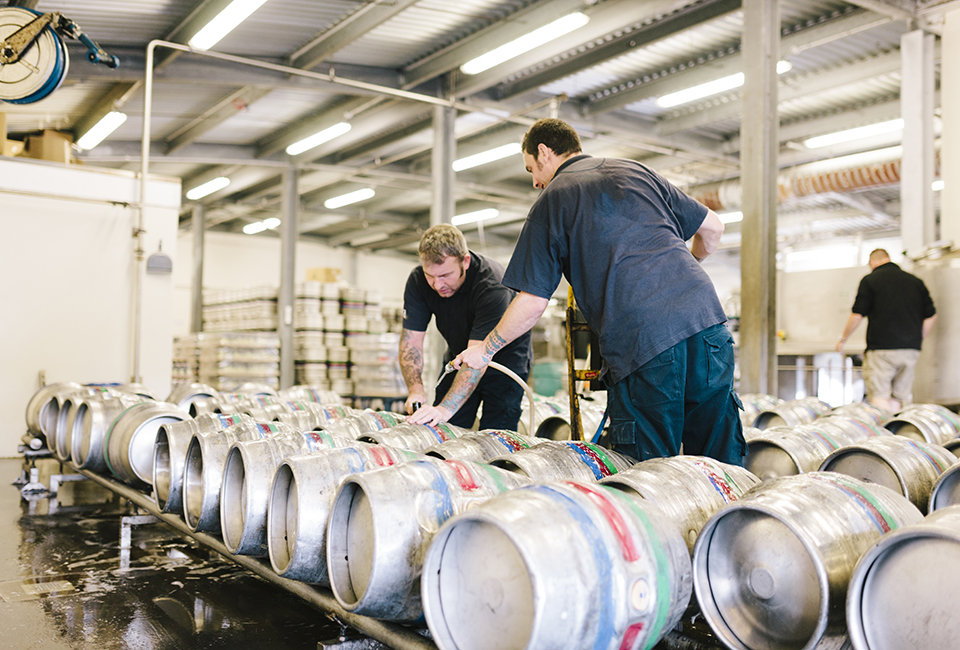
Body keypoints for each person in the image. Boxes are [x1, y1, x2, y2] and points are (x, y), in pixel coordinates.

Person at [453, 117, 745, 465]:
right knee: (719, 460)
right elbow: (713, 227)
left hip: (643, 341)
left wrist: (485, 350)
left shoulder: (553, 200)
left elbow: (531, 302)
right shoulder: (636, 171)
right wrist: (684, 272)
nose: (534, 182)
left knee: (649, 471)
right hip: (707, 324)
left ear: (544, 152)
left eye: (532, 168)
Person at [401, 224, 532, 430]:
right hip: (459, 358)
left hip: (503, 363)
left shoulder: (492, 285)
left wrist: (445, 409)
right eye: (430, 276)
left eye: (445, 275)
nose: (437, 285)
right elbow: (412, 342)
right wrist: (415, 389)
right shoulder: (418, 281)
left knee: (495, 436)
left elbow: (478, 356)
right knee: (443, 430)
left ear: (466, 261)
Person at [836, 248, 936, 413]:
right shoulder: (916, 281)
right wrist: (917, 338)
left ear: (873, 262)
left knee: (880, 396)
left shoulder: (870, 280)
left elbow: (857, 314)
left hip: (882, 349)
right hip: (910, 350)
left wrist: (843, 338)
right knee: (899, 397)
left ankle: (882, 437)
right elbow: (931, 316)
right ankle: (896, 434)